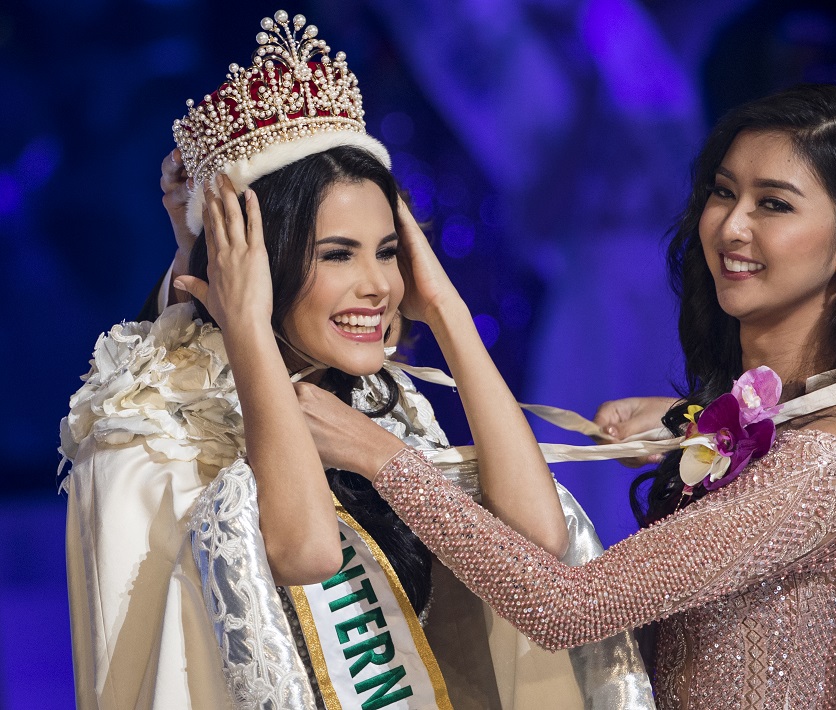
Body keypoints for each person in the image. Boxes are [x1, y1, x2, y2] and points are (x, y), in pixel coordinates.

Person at [305, 84, 836, 708]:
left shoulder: (828, 462)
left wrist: (381, 457)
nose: (731, 227)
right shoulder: (766, 416)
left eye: (773, 205)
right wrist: (685, 423)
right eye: (724, 192)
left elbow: (567, 610)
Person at [60, 10, 653, 709]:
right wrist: (248, 328)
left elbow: (537, 535)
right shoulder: (160, 422)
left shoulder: (382, 404)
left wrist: (448, 312)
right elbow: (307, 554)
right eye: (337, 254)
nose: (378, 285)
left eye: (389, 251)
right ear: (261, 263)